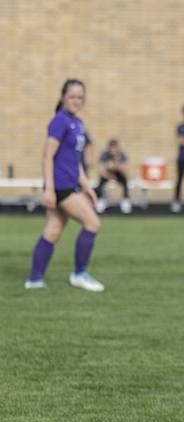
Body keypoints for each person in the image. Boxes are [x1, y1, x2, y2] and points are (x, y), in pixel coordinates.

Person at [24, 79, 104, 292]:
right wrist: (49, 189)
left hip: (70, 184)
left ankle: (34, 280)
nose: (76, 100)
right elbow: (47, 156)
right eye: (72, 96)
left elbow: (74, 160)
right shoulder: (59, 121)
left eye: (80, 97)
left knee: (52, 231)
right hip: (60, 186)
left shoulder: (77, 123)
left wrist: (87, 186)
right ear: (62, 97)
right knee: (93, 223)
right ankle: (80, 274)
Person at [94, 139, 132, 214]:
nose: (113, 150)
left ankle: (125, 200)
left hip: (119, 176)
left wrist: (116, 165)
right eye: (111, 147)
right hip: (108, 176)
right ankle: (101, 200)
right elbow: (101, 171)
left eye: (115, 147)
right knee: (101, 182)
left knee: (125, 180)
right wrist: (110, 174)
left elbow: (127, 171)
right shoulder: (104, 155)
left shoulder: (122, 155)